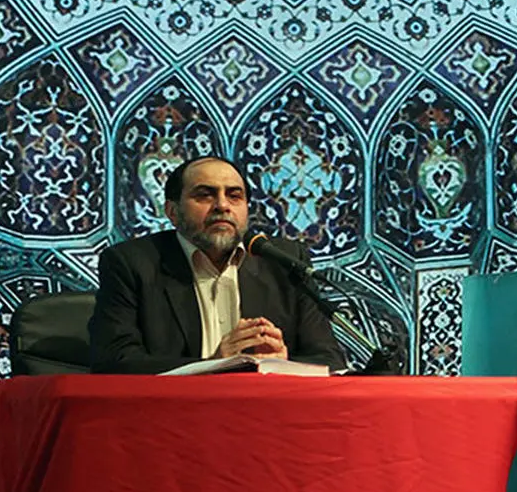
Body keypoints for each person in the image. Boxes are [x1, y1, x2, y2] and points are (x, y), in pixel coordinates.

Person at [88, 156, 346, 374]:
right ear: (172, 212)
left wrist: (282, 365)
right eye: (204, 195)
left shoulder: (282, 261)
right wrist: (213, 365)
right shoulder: (131, 263)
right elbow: (114, 362)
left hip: (268, 409)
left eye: (234, 196)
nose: (222, 206)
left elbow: (329, 360)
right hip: (174, 411)